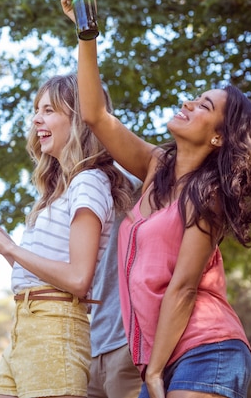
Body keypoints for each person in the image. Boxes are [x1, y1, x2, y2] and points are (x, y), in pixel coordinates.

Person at [62, 0, 251, 398]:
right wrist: (86, 35)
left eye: (204, 107)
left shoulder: (209, 198)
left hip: (206, 348)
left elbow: (183, 287)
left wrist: (153, 372)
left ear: (220, 138)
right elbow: (94, 114)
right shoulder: (155, 168)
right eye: (196, 98)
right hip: (162, 359)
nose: (188, 104)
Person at [0, 74, 135, 398]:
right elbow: (38, 272)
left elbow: (77, 278)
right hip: (24, 326)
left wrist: (9, 246)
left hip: (56, 327)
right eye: (36, 110)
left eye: (48, 110)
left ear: (78, 120)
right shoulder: (56, 191)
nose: (36, 119)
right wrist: (0, 243)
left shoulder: (89, 181)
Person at [87, 84, 143, 398]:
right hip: (91, 347)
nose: (39, 121)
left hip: (126, 343)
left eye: (51, 111)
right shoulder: (63, 193)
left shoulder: (122, 176)